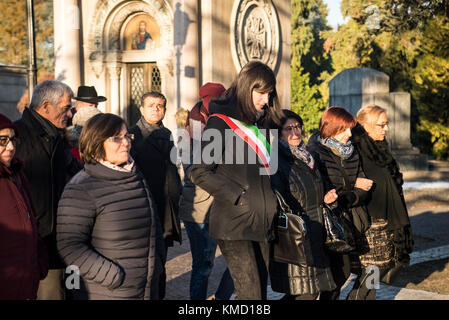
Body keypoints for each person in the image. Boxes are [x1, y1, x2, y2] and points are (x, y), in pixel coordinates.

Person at [190, 61, 284, 300]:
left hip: (263, 221)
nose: (266, 99)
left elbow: (269, 171)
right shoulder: (220, 122)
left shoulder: (263, 124)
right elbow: (199, 170)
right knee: (251, 295)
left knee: (258, 294)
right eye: (261, 93)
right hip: (234, 222)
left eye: (269, 94)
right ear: (246, 88)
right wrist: (237, 195)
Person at [56, 113, 158, 300]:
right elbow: (69, 245)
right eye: (116, 138)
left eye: (127, 136)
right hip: (107, 291)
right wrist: (113, 276)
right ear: (96, 143)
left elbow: (152, 227)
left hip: (144, 289)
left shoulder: (136, 175)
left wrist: (156, 270)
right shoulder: (81, 187)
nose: (126, 143)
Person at [14, 80, 82, 300]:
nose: (70, 114)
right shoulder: (17, 138)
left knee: (72, 291)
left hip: (66, 240)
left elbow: (77, 174)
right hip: (39, 243)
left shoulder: (56, 136)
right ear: (45, 106)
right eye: (65, 108)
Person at [307, 106, 374, 300]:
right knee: (328, 275)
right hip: (326, 221)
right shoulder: (316, 152)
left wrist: (350, 194)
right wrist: (353, 186)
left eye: (350, 129)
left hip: (350, 222)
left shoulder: (353, 152)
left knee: (342, 272)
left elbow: (365, 187)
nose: (349, 134)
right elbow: (324, 188)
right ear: (331, 128)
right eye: (343, 129)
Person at [269, 109, 337, 300]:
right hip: (296, 236)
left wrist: (326, 195)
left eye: (297, 127)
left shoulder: (308, 156)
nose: (295, 132)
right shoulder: (277, 160)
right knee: (306, 293)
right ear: (278, 132)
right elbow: (278, 198)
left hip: (316, 230)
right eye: (288, 128)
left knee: (312, 291)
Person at [179, 82, 235, 300]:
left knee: (237, 261)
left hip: (225, 205)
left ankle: (221, 297)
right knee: (203, 265)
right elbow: (192, 171)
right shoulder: (191, 130)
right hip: (199, 208)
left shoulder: (227, 124)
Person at [351, 105, 413, 286]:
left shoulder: (379, 149)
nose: (386, 129)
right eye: (381, 125)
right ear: (365, 125)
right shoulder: (355, 151)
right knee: (370, 279)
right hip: (370, 226)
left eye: (386, 124)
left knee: (374, 280)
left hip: (387, 223)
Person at [129, 91, 182, 300]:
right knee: (146, 265)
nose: (156, 109)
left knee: (161, 262)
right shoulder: (133, 136)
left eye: (160, 105)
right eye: (151, 105)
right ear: (141, 109)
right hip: (145, 209)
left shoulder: (167, 133)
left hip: (167, 209)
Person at [0, 114, 48, 300]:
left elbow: (31, 223)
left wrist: (39, 263)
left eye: (13, 140)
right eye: (3, 140)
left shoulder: (17, 174)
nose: (11, 147)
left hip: (26, 282)